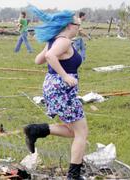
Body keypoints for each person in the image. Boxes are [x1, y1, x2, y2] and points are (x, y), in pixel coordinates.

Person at [24, 5, 88, 180]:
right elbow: (50, 57)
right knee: (81, 132)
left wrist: (48, 49)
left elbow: (39, 60)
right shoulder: (64, 41)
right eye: (77, 25)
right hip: (62, 89)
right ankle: (73, 175)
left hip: (53, 87)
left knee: (72, 131)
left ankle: (36, 130)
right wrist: (66, 76)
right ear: (69, 26)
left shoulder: (55, 40)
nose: (79, 28)